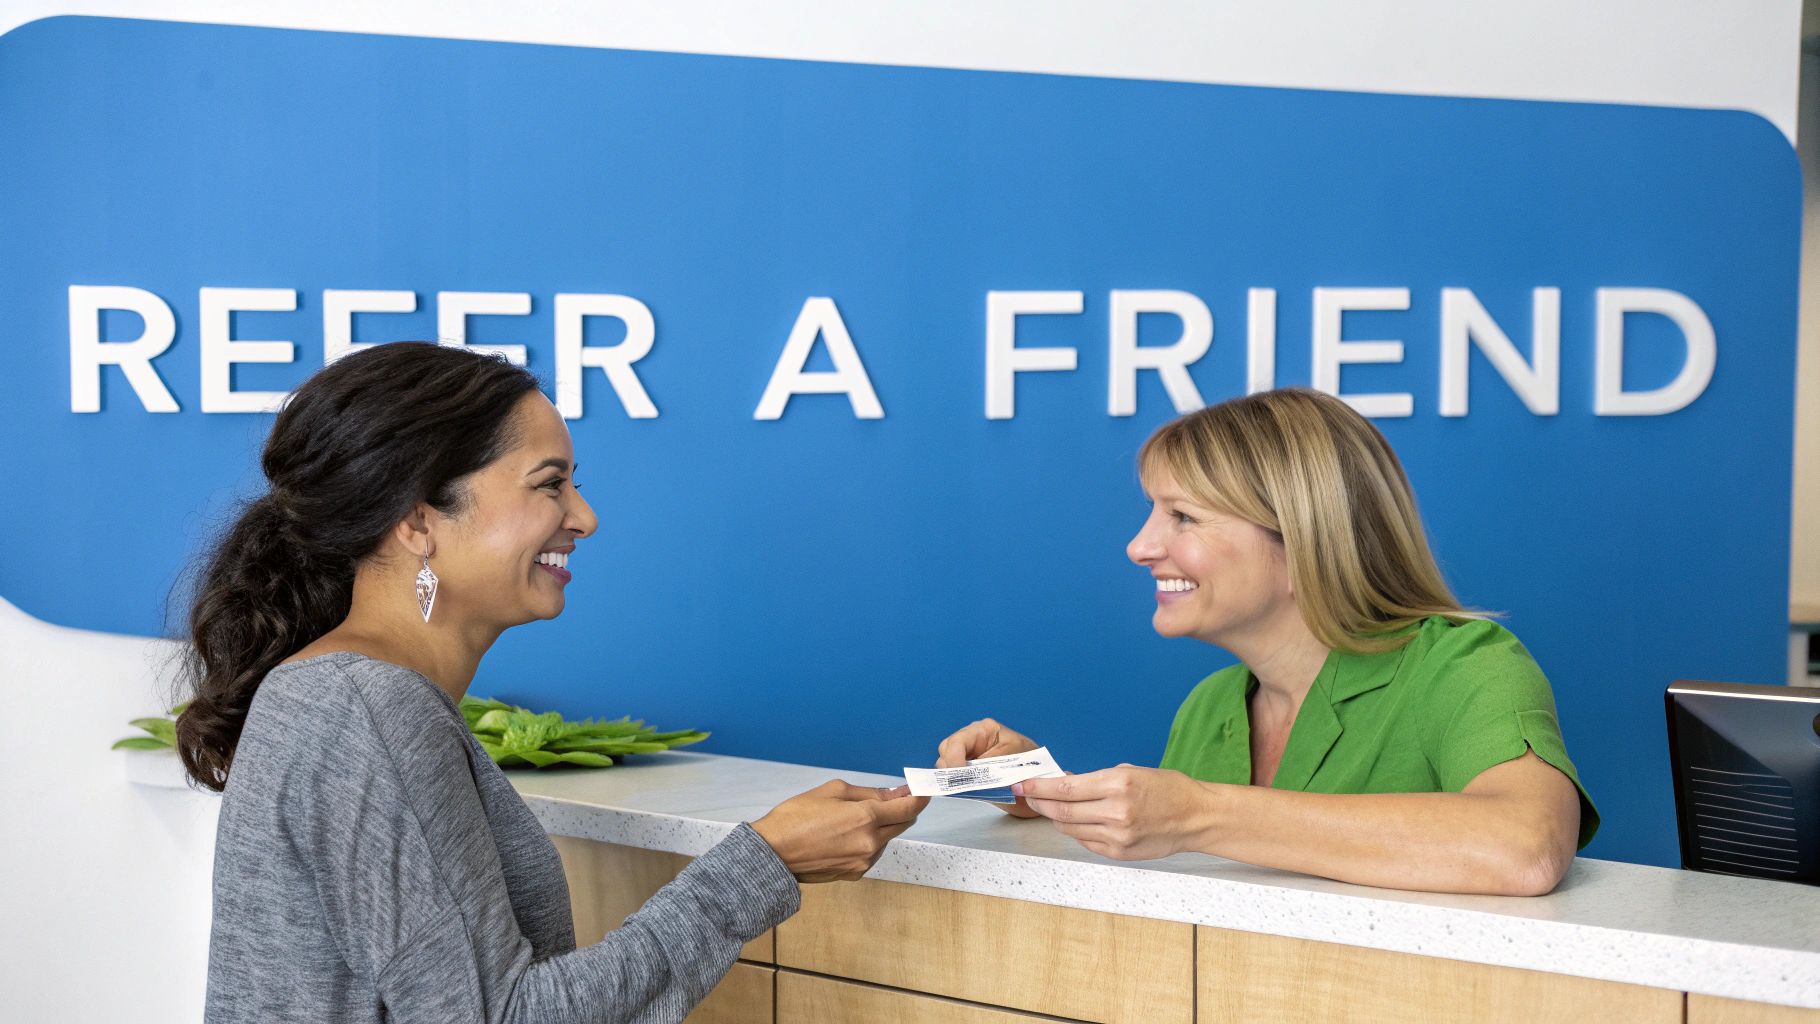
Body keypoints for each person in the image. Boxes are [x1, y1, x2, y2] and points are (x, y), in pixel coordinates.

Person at [175, 342, 926, 1023]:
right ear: (417, 520)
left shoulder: (343, 695)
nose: (585, 517)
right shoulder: (365, 707)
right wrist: (764, 864)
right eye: (550, 484)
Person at [937, 387, 1598, 897]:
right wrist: (1050, 792)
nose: (1139, 547)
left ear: (1300, 538)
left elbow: (1525, 847)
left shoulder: (1464, 666)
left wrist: (1196, 812)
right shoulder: (1213, 706)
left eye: (1183, 516)